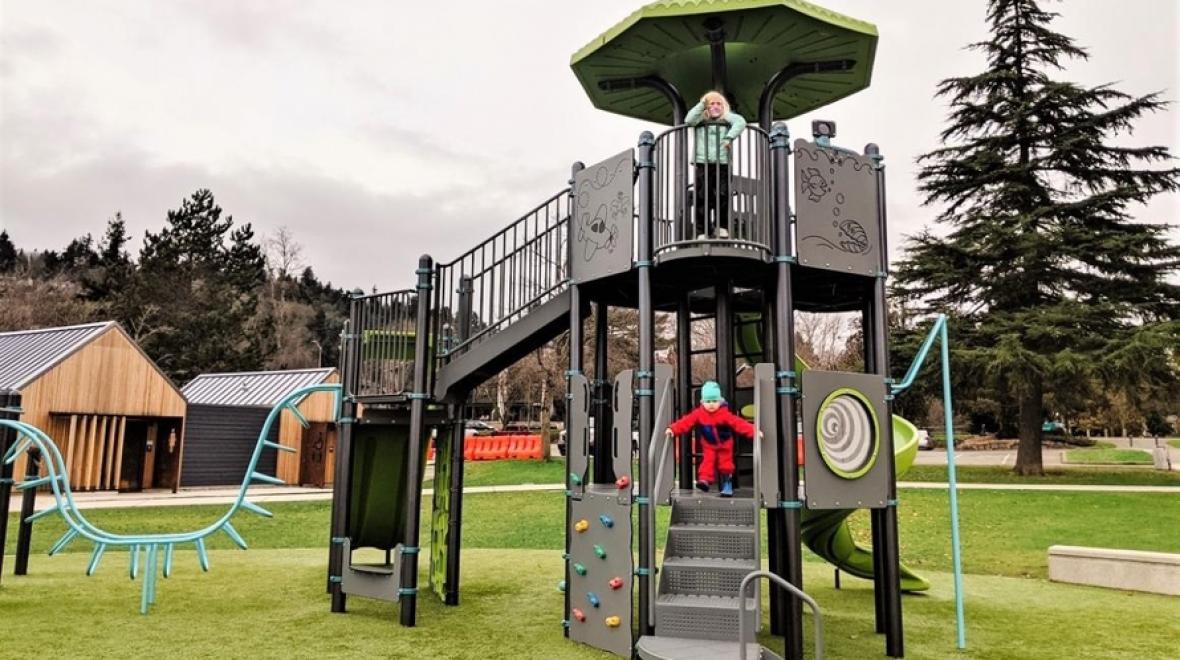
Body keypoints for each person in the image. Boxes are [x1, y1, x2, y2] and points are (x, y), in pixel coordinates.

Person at [664, 380, 757, 497]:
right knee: (707, 462)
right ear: (702, 402)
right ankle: (704, 481)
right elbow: (686, 422)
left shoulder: (724, 414)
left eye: (714, 401)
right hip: (709, 444)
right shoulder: (699, 413)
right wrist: (673, 429)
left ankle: (727, 485)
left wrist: (754, 431)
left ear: (719, 401)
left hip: (725, 444)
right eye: (708, 401)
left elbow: (739, 424)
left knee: (726, 464)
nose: (711, 404)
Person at [685, 91, 747, 239]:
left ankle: (721, 226)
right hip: (703, 163)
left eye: (718, 103)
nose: (715, 106)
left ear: (723, 106)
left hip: (723, 163)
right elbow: (688, 120)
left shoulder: (726, 119)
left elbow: (741, 122)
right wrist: (703, 103)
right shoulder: (701, 119)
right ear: (707, 107)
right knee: (702, 197)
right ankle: (702, 230)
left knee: (722, 195)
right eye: (712, 104)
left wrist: (729, 137)